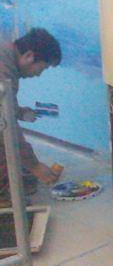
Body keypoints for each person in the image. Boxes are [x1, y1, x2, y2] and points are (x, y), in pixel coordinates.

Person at [0, 28, 62, 207]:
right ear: (29, 56)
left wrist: (19, 112)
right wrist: (34, 165)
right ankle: (4, 198)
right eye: (42, 68)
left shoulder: (7, 56)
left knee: (15, 157)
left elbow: (5, 108)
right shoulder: (4, 69)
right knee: (6, 146)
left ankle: (12, 179)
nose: (38, 74)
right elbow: (6, 127)